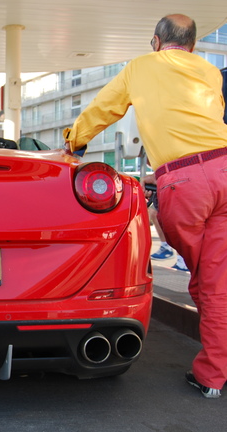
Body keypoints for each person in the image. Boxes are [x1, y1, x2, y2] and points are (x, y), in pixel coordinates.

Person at [64, 14, 227, 398]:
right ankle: (213, 374)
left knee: (205, 281)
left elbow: (105, 108)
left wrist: (73, 142)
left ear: (156, 41)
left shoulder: (141, 67)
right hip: (224, 168)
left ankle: (213, 374)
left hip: (186, 182)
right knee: (219, 279)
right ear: (192, 44)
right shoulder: (209, 72)